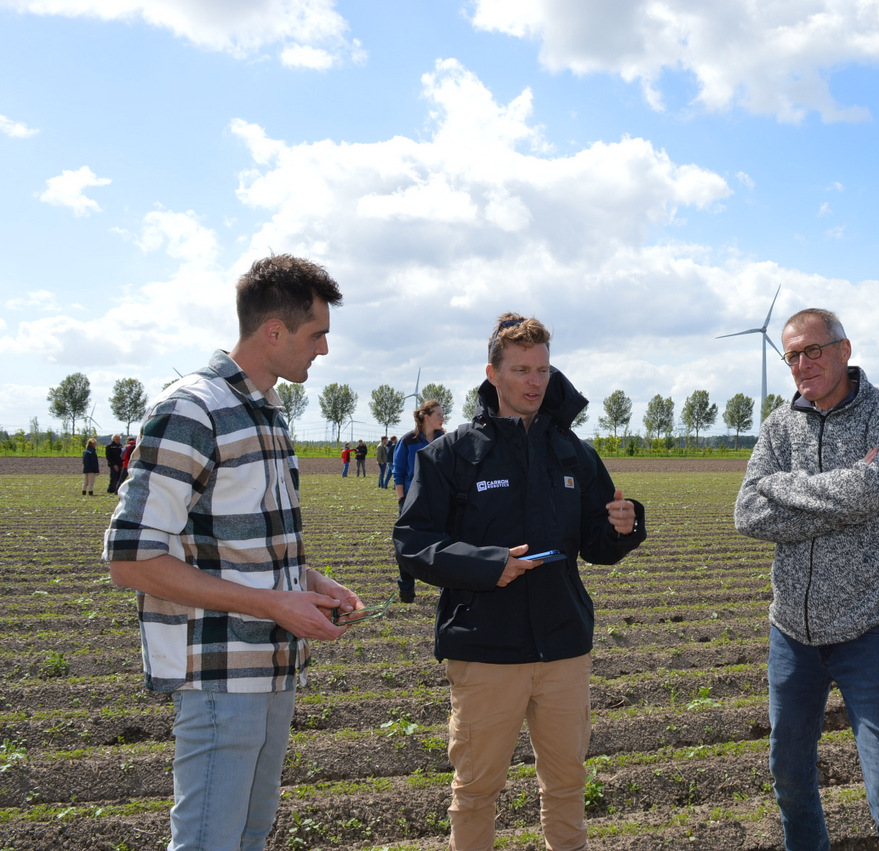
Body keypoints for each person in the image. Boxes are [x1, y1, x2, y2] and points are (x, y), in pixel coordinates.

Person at [103, 254, 364, 851]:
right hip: (219, 673)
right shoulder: (192, 409)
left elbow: (233, 543)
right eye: (316, 334)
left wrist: (308, 582)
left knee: (250, 835)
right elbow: (131, 559)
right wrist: (273, 604)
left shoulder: (266, 412)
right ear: (274, 331)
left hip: (273, 666)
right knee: (209, 841)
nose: (324, 348)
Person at [394, 313, 646, 851]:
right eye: (522, 370)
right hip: (485, 650)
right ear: (493, 374)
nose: (536, 382)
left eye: (543, 370)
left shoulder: (574, 452)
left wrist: (624, 527)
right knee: (476, 789)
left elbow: (599, 547)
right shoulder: (451, 455)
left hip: (563, 648)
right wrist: (487, 564)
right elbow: (412, 542)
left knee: (567, 783)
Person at [734, 308, 879, 850]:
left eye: (813, 350)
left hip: (871, 629)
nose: (802, 363)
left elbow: (877, 487)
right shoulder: (779, 424)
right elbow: (748, 514)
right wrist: (846, 502)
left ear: (845, 350)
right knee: (790, 778)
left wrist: (782, 485)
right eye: (792, 355)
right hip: (791, 634)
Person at [392, 398, 446, 603]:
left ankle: (444, 586)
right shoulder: (408, 441)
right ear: (426, 416)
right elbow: (398, 472)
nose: (442, 418)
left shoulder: (445, 440)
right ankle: (406, 588)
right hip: (411, 500)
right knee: (405, 545)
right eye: (438, 415)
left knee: (442, 542)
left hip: (438, 499)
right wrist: (402, 501)